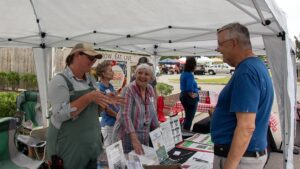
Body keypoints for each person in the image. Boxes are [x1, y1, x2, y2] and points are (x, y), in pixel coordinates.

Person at [46, 43, 124, 169]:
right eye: (90, 57)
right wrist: (88, 98)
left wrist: (105, 100)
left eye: (95, 59)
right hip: (68, 151)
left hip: (92, 149)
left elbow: (94, 112)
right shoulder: (59, 80)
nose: (93, 61)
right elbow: (58, 114)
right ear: (76, 55)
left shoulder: (91, 80)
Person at [211, 23, 274, 169]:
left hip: (240, 160)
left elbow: (246, 127)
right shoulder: (257, 66)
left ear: (233, 43)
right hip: (247, 156)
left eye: (220, 44)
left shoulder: (246, 71)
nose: (218, 49)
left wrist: (230, 166)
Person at [113, 63, 159, 154]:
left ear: (151, 78)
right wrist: (134, 139)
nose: (142, 76)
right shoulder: (129, 89)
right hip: (127, 137)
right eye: (140, 73)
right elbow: (125, 115)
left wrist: (158, 129)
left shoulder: (150, 89)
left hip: (143, 136)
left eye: (146, 74)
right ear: (135, 74)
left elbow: (152, 112)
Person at [96, 60, 119, 148]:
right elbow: (106, 109)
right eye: (110, 70)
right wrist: (118, 116)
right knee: (110, 152)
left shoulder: (110, 86)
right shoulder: (99, 88)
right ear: (103, 74)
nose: (113, 72)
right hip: (108, 125)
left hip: (114, 123)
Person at [179, 57, 199, 131]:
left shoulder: (183, 73)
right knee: (190, 117)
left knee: (188, 116)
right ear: (193, 65)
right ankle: (186, 132)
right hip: (189, 97)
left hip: (183, 96)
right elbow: (189, 88)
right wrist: (194, 95)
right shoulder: (190, 75)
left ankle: (184, 130)